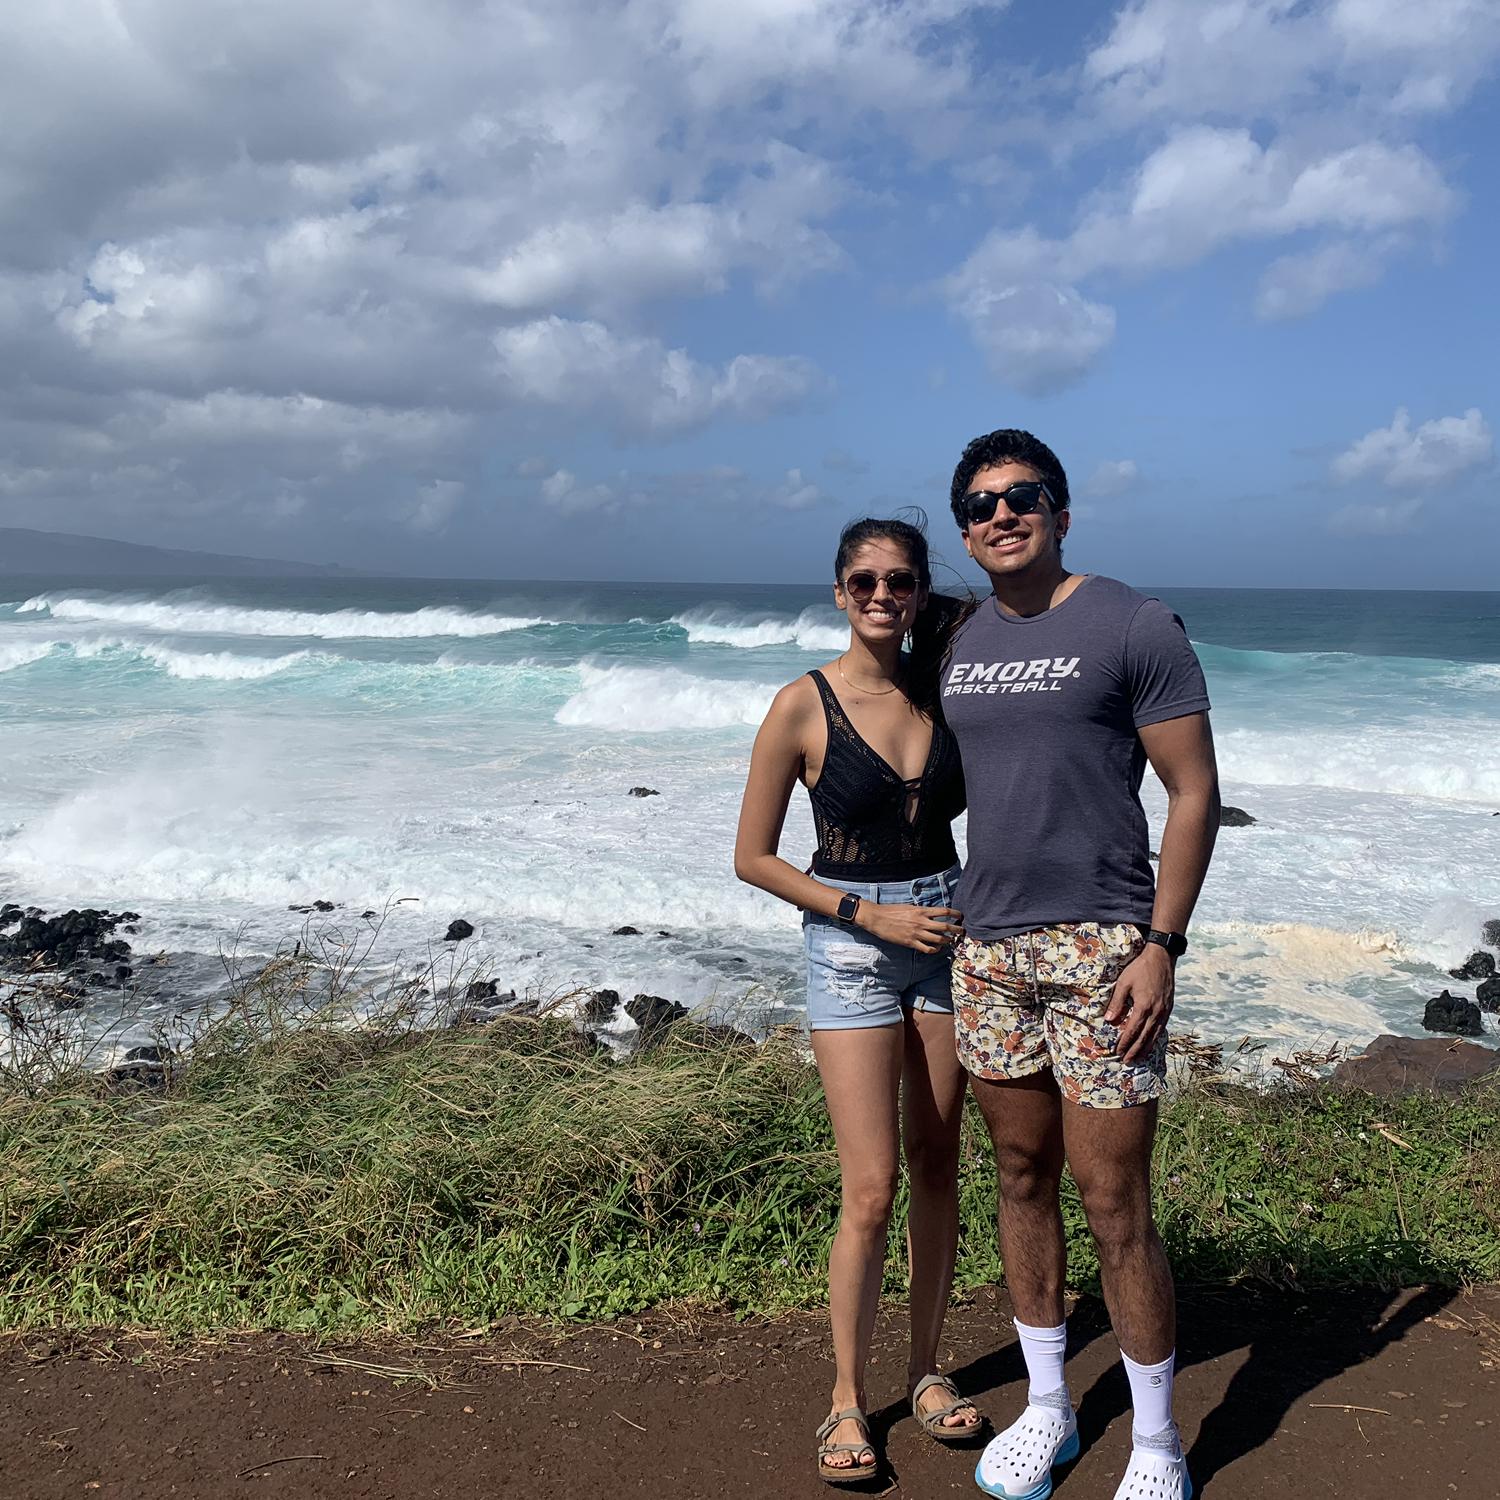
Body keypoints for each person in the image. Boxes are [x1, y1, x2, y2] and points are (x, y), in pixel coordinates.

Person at [939, 431, 1219, 1500]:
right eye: (980, 504)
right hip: (988, 949)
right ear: (966, 531)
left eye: (1023, 496)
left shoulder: (1133, 624)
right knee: (1020, 1176)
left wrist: (1162, 944)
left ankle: (1157, 1442)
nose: (1001, 514)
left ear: (1060, 511)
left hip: (1104, 950)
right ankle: (1050, 1407)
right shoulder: (958, 639)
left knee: (1113, 1196)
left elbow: (1194, 792)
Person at [735, 516, 983, 1484]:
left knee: (938, 1164)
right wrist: (868, 916)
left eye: (903, 582)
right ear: (840, 593)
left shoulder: (945, 691)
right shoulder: (802, 706)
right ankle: (846, 1397)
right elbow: (752, 858)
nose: (884, 596)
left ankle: (926, 1371)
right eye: (867, 582)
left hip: (946, 937)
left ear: (920, 593)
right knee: (872, 1186)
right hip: (851, 948)